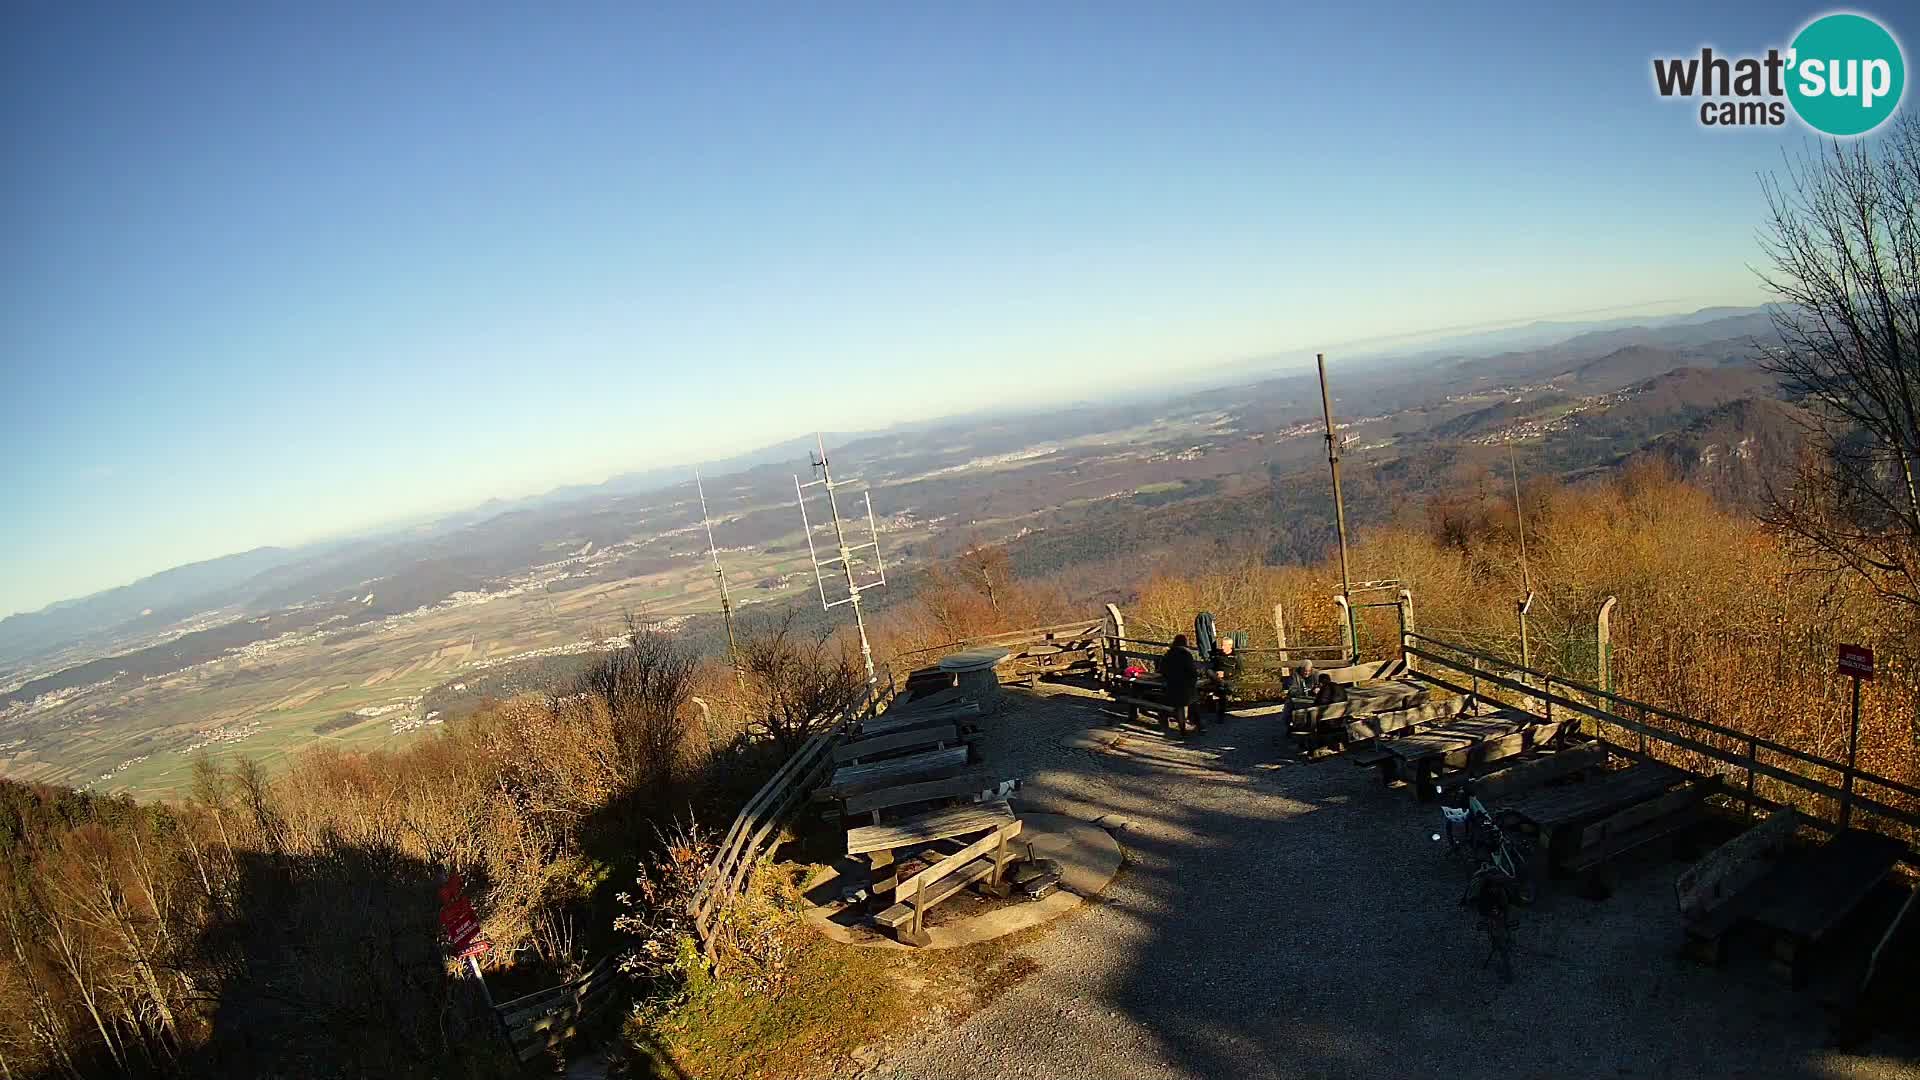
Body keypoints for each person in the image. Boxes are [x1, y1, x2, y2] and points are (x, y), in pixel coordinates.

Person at [1157, 633, 1201, 735]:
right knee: (1194, 700)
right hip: (1185, 687)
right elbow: (1192, 671)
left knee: (1180, 706)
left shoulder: (1168, 654)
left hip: (1172, 686)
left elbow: (1162, 670)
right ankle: (1198, 725)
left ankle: (1182, 729)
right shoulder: (1186, 655)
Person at [1207, 635, 1242, 719]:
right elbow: (1212, 667)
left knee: (1221, 690)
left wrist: (1226, 674)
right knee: (1209, 672)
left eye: (1224, 645)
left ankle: (1220, 715)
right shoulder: (1218, 655)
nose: (1222, 647)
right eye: (1222, 645)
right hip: (1217, 679)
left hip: (1229, 679)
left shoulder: (1235, 656)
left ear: (1230, 645)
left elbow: (1239, 671)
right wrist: (1216, 673)